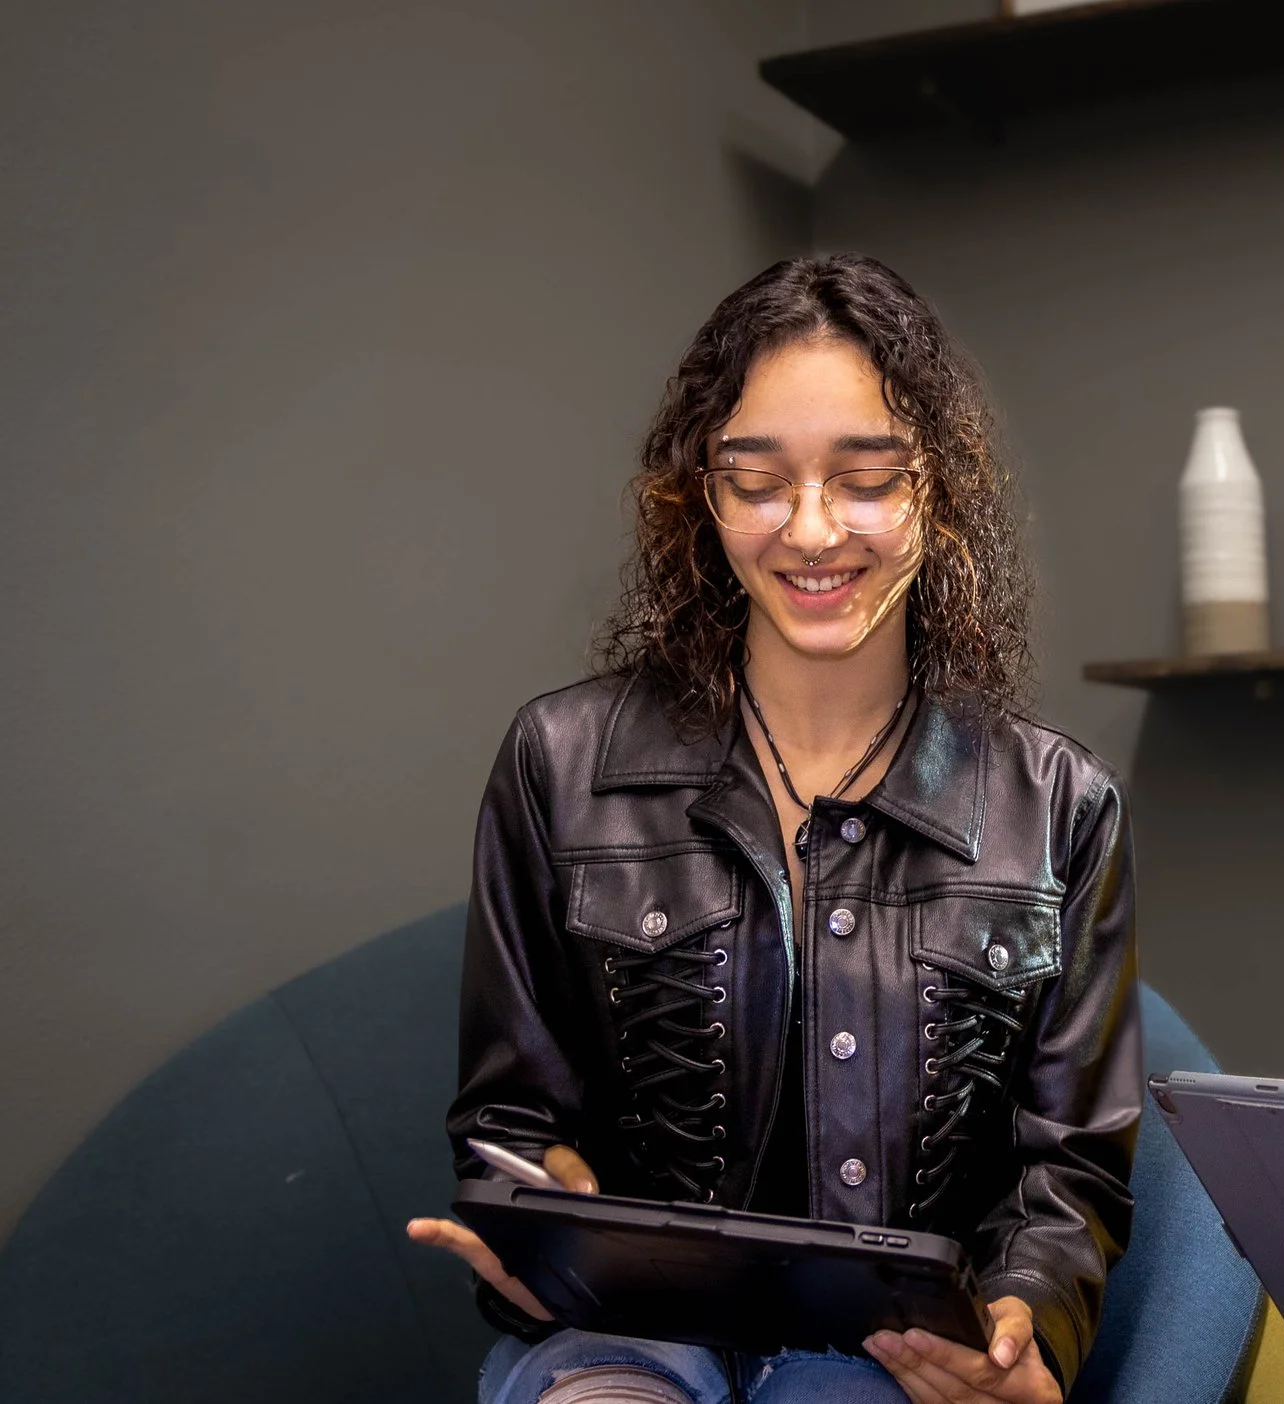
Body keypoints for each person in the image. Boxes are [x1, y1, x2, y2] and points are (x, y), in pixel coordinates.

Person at [405, 255, 1140, 1404]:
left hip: (891, 1361)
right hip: (632, 1335)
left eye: (863, 479)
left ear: (932, 492)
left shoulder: (1060, 805)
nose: (810, 531)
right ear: (703, 495)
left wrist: (1020, 1335)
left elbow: (1071, 1172)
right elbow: (510, 1114)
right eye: (758, 482)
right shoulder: (557, 763)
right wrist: (546, 1219)